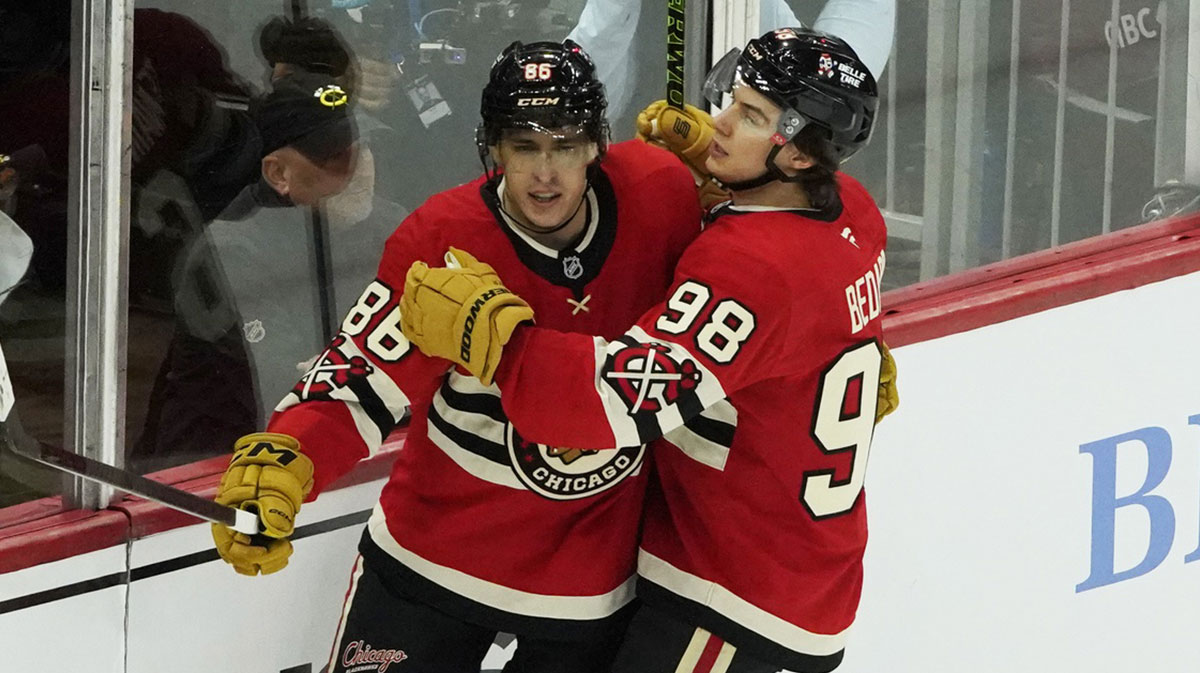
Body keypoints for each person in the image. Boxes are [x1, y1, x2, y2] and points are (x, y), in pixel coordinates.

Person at [399, 27, 891, 673]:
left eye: (748, 116)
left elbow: (609, 405)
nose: (716, 123)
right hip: (798, 561)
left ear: (799, 157)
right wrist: (721, 171)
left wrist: (495, 341)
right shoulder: (853, 208)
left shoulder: (748, 269)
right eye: (732, 99)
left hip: (733, 590)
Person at [209, 40, 706, 673]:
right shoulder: (442, 238)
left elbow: (754, 273)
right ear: (492, 149)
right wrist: (288, 459)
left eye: (565, 146)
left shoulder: (661, 195)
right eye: (524, 147)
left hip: (586, 579)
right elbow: (360, 376)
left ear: (596, 146)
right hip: (435, 556)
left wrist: (828, 335)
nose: (545, 173)